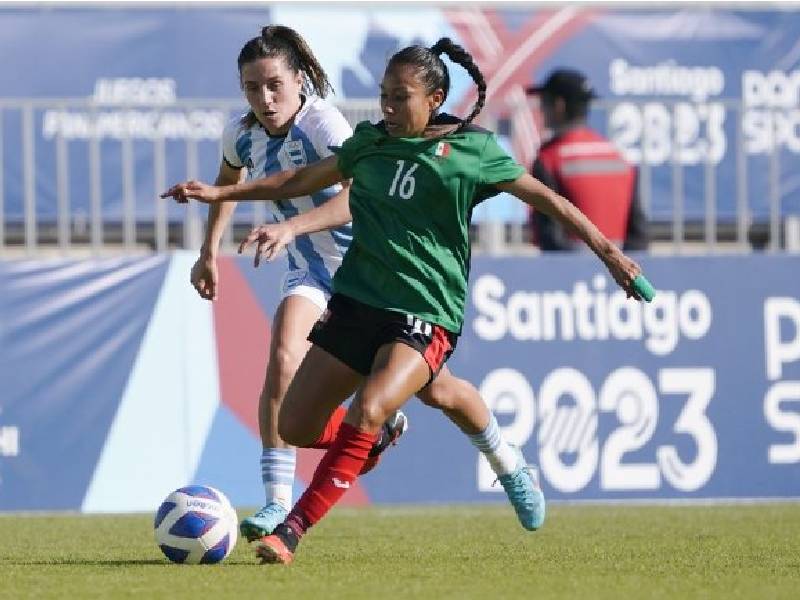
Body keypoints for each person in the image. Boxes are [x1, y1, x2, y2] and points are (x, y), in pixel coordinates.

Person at [164, 37, 643, 566]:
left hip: (425, 309)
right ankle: (423, 445)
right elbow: (298, 179)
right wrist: (220, 193)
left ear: (435, 98)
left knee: (369, 406)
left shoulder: (472, 152)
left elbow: (547, 199)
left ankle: (295, 525)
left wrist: (610, 255)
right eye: (384, 96)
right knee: (308, 423)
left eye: (401, 97)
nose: (388, 108)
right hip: (360, 300)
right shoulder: (369, 142)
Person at [526, 68, 649, 252]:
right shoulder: (619, 157)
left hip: (571, 274)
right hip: (620, 272)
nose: (541, 110)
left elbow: (550, 237)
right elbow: (639, 236)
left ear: (559, 105)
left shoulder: (548, 159)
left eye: (544, 102)